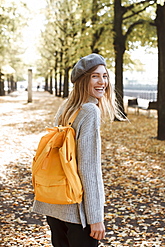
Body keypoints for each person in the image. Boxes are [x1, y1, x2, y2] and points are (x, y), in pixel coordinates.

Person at [32, 54, 122, 247]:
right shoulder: (89, 111)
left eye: (105, 76)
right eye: (95, 76)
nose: (102, 82)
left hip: (55, 204)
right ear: (83, 80)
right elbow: (89, 169)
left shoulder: (67, 107)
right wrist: (96, 218)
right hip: (77, 213)